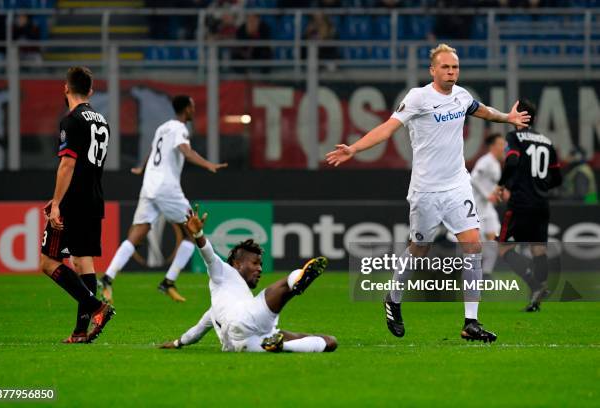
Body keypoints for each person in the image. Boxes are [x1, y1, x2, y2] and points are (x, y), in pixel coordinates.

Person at [326, 43, 531, 343]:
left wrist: (508, 118)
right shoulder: (418, 98)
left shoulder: (461, 96)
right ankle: (393, 299)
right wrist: (354, 148)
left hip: (457, 185)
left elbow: (482, 111)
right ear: (432, 70)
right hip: (426, 191)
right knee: (419, 249)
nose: (451, 72)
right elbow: (388, 128)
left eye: (455, 67)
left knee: (473, 245)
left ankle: (471, 322)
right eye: (446, 67)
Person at [100, 95, 227, 303]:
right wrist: (207, 164)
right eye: (193, 106)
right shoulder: (180, 128)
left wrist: (142, 168)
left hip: (149, 185)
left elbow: (153, 150)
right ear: (186, 109)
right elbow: (185, 151)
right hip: (167, 189)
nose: (194, 110)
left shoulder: (163, 127)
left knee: (137, 234)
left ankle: (107, 278)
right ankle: (168, 281)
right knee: (192, 232)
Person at [160, 206, 337, 353]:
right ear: (237, 264)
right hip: (246, 320)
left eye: (260, 264)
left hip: (247, 343)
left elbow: (196, 332)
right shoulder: (224, 272)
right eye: (255, 263)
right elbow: (209, 256)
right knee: (284, 286)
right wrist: (198, 234)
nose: (259, 268)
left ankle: (281, 345)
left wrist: (177, 343)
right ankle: (297, 280)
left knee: (329, 342)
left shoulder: (216, 309)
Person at [40, 66, 115, 344]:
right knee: (83, 260)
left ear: (65, 88)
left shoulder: (71, 120)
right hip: (94, 197)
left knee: (48, 262)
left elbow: (68, 164)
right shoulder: (101, 120)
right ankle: (80, 331)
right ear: (91, 91)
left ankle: (97, 307)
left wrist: (57, 202)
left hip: (73, 200)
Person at [495, 98, 562, 312]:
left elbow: (512, 160)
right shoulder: (546, 141)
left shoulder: (514, 137)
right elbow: (557, 178)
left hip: (520, 202)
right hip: (541, 203)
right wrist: (539, 186)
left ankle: (534, 285)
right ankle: (537, 297)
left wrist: (502, 184)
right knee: (538, 249)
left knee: (504, 248)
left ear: (519, 115)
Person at [470, 133, 506, 275]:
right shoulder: (486, 161)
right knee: (476, 246)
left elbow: (491, 184)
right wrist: (487, 195)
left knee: (495, 241)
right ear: (493, 146)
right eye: (501, 144)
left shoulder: (496, 163)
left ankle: (486, 273)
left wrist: (502, 192)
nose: (504, 147)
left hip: (488, 209)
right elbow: (473, 178)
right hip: (477, 209)